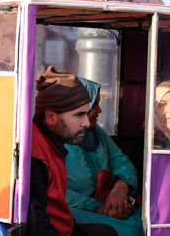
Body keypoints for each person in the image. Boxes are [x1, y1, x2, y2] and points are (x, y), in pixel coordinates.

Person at [27, 66, 117, 236]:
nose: (87, 123)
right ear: (51, 117)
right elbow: (37, 226)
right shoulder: (35, 155)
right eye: (78, 115)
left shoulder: (54, 145)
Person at [64, 77, 142, 236]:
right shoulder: (56, 138)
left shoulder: (97, 133)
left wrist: (120, 189)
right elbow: (54, 190)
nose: (99, 110)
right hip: (76, 210)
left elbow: (122, 162)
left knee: (146, 221)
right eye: (95, 105)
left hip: (108, 203)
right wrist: (98, 208)